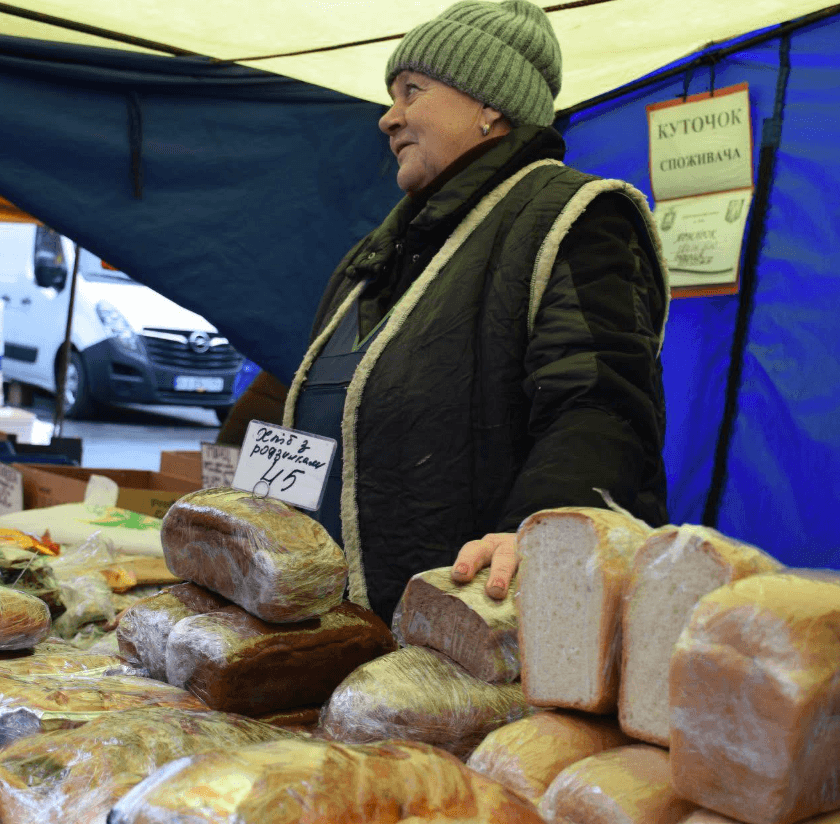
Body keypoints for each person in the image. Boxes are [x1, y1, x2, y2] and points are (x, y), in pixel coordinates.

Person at [284, 0, 670, 623]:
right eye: (390, 96)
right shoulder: (375, 254)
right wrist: (256, 523)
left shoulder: (577, 219)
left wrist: (535, 528)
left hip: (479, 627)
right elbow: (311, 417)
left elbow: (600, 402)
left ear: (490, 104)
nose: (389, 118)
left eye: (413, 91)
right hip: (330, 627)